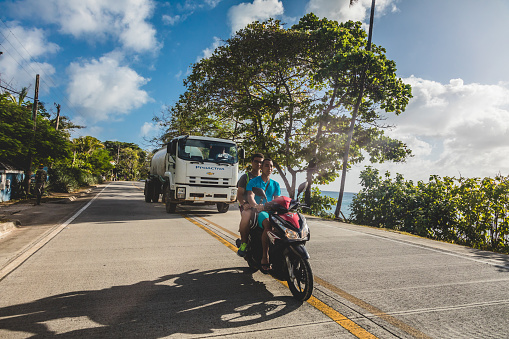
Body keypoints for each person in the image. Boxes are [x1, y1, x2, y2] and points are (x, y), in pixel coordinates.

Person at [245, 158, 281, 272]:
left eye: (271, 166)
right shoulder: (254, 182)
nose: (269, 168)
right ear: (261, 167)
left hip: (272, 212)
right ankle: (265, 257)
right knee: (268, 225)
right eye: (266, 165)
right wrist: (256, 205)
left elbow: (278, 200)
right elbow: (250, 196)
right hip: (260, 211)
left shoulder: (275, 184)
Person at [236, 153, 264, 257]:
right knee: (246, 216)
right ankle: (244, 243)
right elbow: (239, 194)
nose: (258, 164)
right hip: (248, 206)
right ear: (252, 162)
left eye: (261, 162)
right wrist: (244, 204)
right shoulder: (246, 177)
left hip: (261, 206)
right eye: (256, 161)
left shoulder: (264, 178)